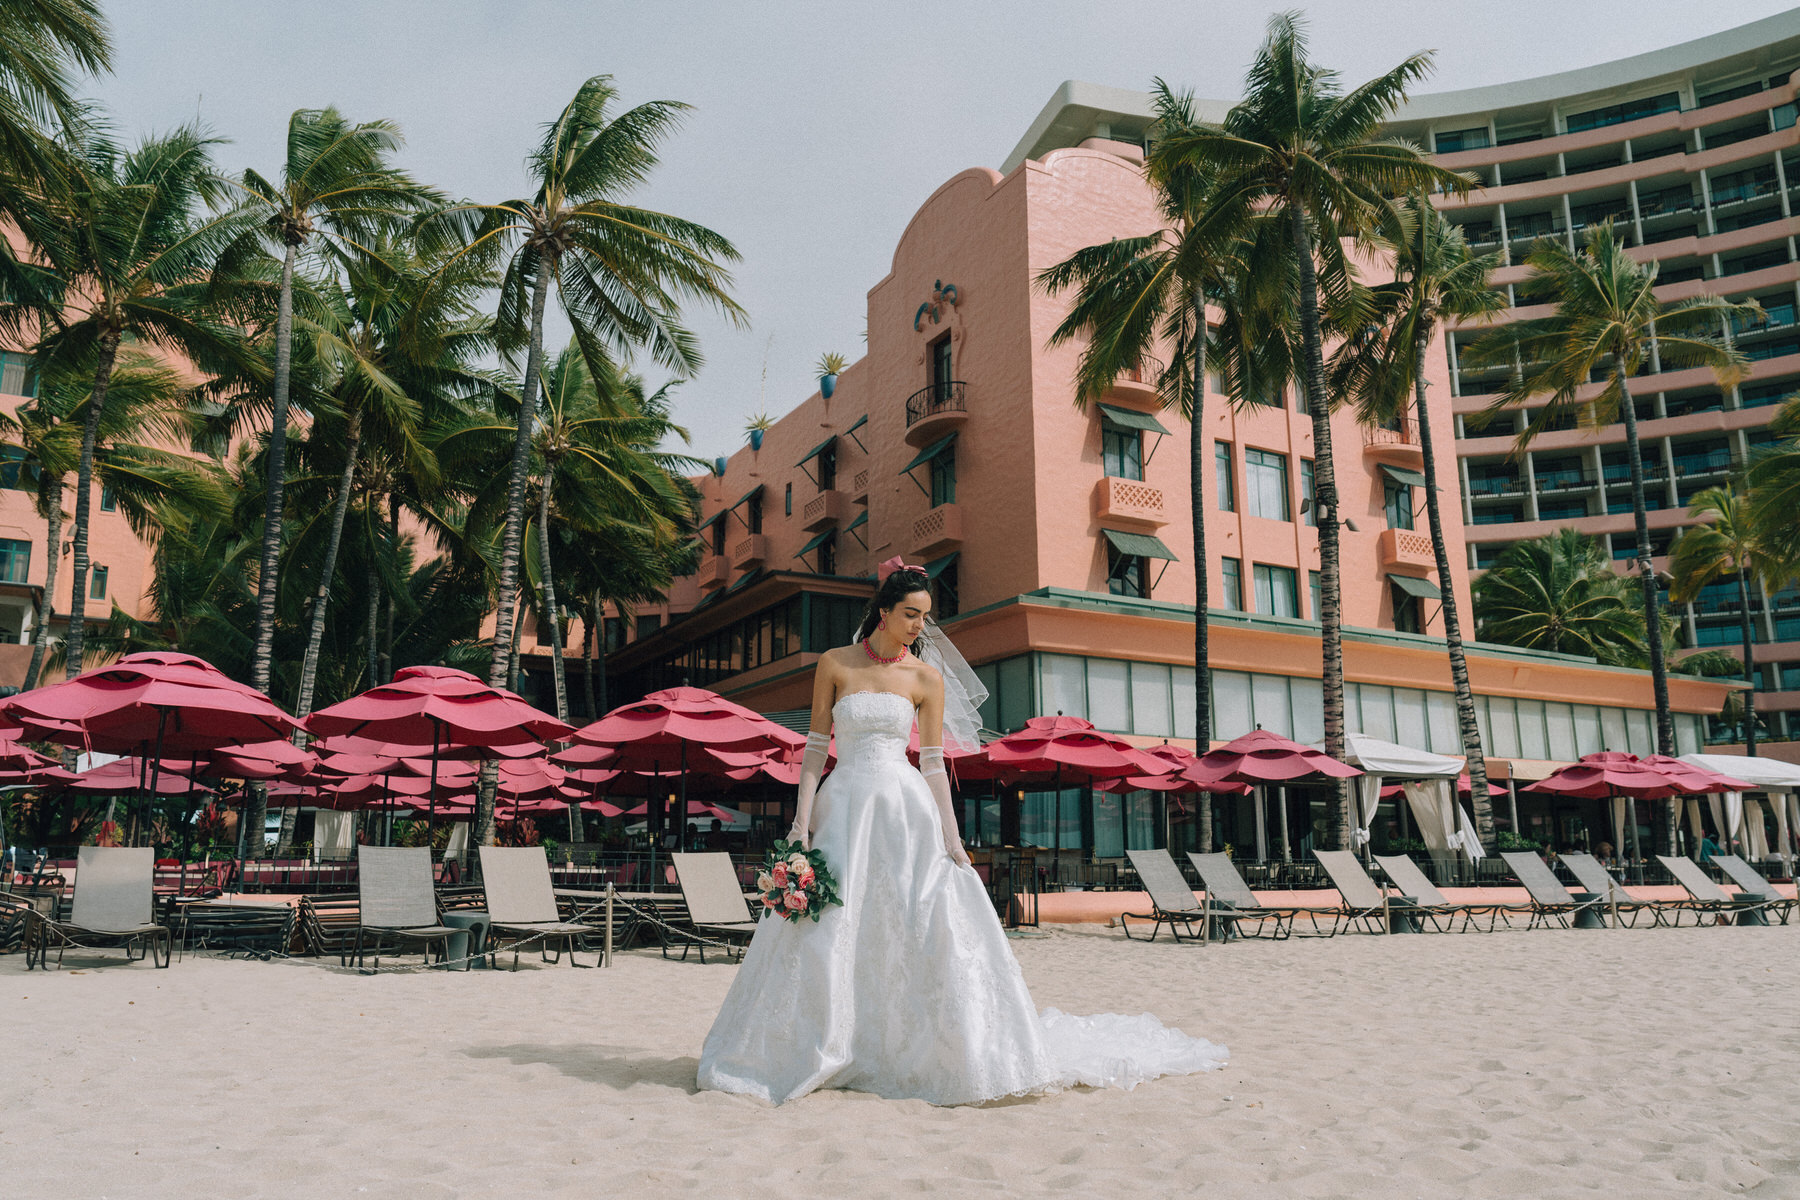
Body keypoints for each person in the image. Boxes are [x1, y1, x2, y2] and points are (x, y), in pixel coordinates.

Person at [697, 558, 1227, 1106]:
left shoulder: (925, 678)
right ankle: (824, 1041)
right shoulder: (834, 664)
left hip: (904, 811)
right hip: (843, 808)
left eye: (925, 617)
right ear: (883, 611)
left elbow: (930, 765)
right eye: (910, 614)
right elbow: (812, 753)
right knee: (829, 921)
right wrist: (800, 824)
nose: (919, 627)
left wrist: (953, 840)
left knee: (913, 917)